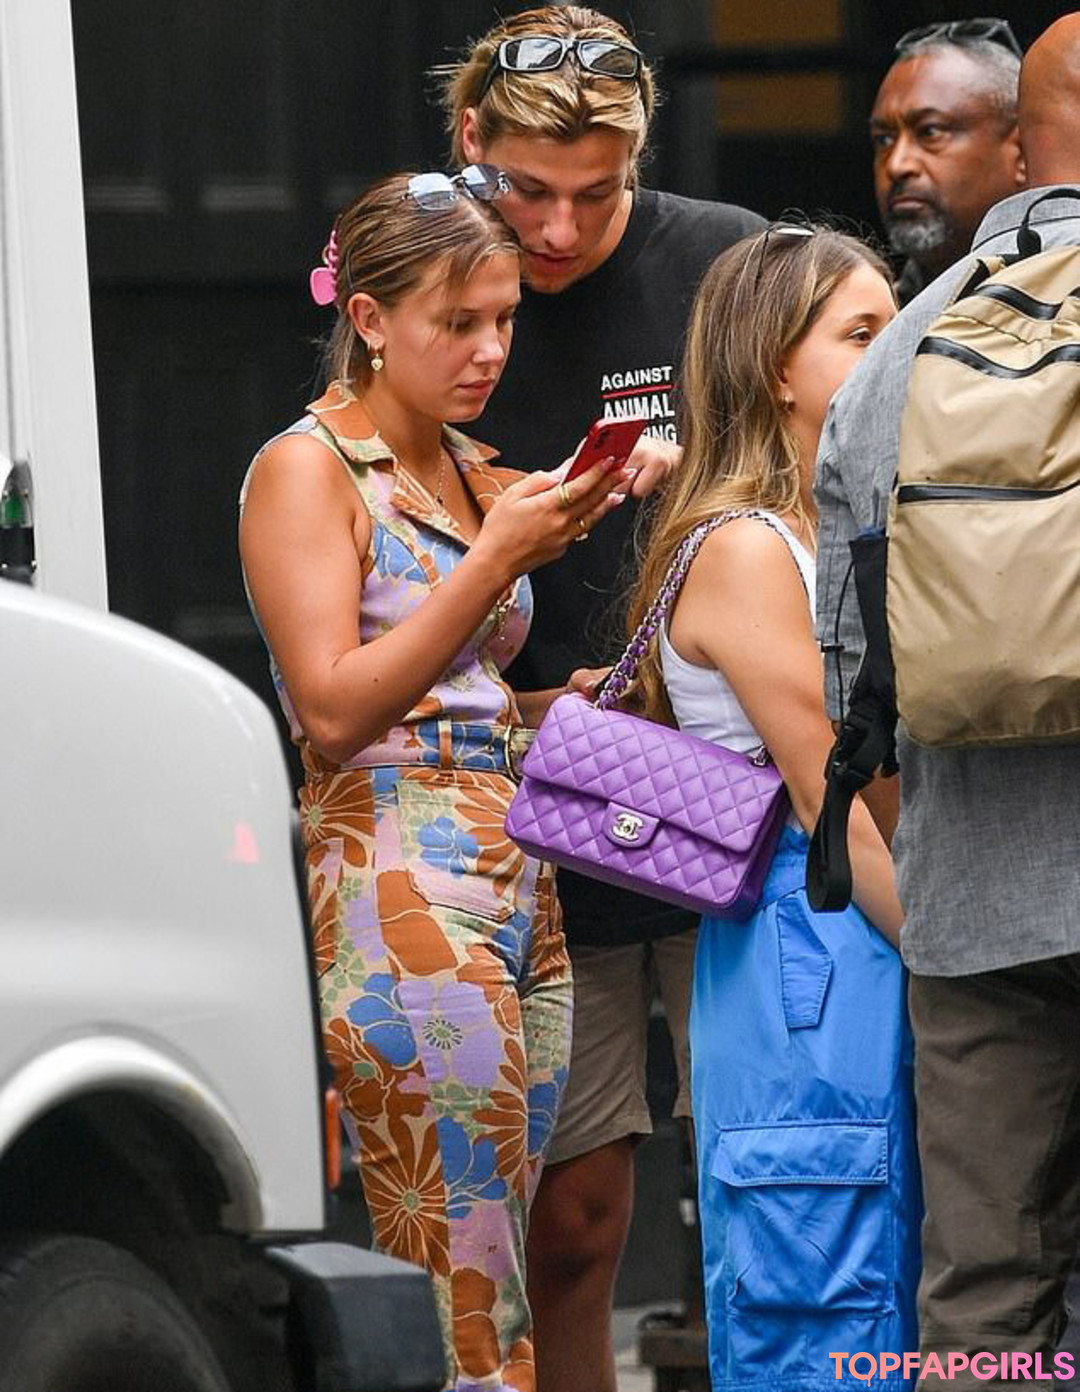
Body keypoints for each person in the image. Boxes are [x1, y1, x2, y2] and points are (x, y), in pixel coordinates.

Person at [239, 169, 630, 1392]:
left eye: (504, 318)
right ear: (366, 317)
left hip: (521, 869)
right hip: (398, 874)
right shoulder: (308, 470)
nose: (490, 350)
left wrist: (557, 705)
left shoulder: (467, 466)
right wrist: (497, 559)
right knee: (465, 1284)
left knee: (499, 1251)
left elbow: (453, 689)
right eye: (455, 323)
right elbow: (333, 708)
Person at [438, 11, 763, 1386]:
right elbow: (348, 482)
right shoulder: (424, 270)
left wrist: (709, 465)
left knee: (772, 1166)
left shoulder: (725, 258)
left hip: (727, 777)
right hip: (536, 782)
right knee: (572, 1213)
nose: (559, 231)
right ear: (469, 140)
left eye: (597, 192)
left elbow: (825, 452)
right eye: (526, 190)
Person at [816, 15, 1080, 1386]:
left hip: (977, 902)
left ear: (1023, 146)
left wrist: (935, 851)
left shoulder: (893, 357)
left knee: (983, 1291)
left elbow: (852, 675)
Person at [624, 224, 919, 1390]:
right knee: (829, 1300)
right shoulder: (749, 549)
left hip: (850, 927)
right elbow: (832, 802)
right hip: (816, 942)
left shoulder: (834, 527)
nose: (897, 354)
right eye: (862, 333)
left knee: (904, 1285)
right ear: (773, 368)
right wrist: (970, 968)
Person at [870, 17, 1024, 304]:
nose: (897, 164)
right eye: (884, 140)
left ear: (1022, 151)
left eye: (930, 131)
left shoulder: (1066, 303)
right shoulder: (874, 320)